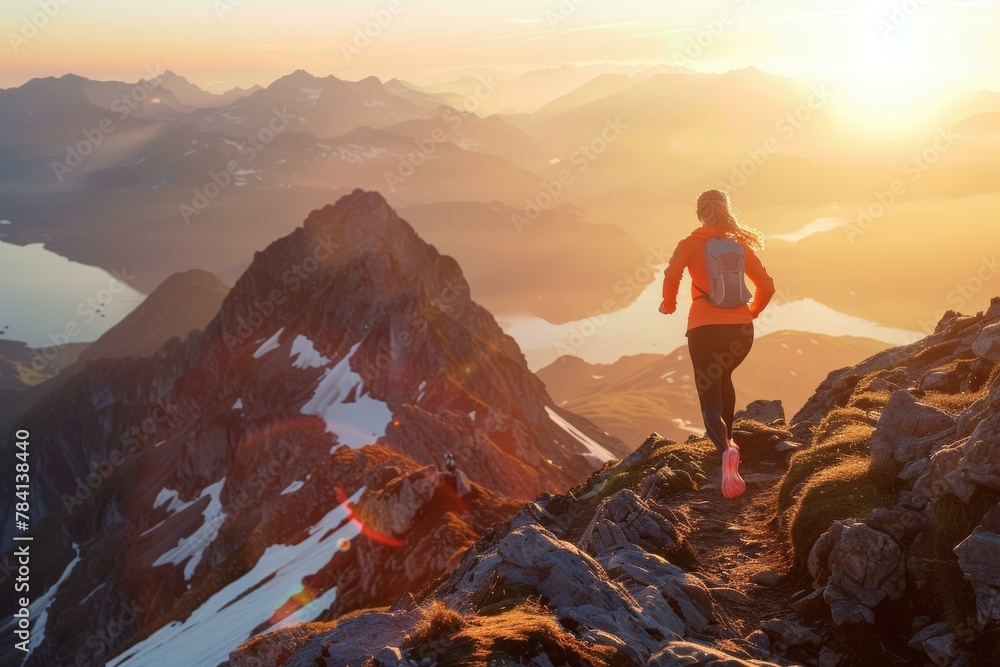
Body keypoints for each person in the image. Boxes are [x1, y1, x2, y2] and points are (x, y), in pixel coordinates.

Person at [659, 189, 775, 498]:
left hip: (704, 329)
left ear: (699, 213)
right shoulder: (738, 245)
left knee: (709, 395)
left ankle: (726, 451)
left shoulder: (689, 244)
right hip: (741, 332)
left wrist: (669, 304)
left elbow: (672, 274)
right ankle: (731, 443)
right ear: (725, 212)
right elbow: (767, 286)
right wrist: (750, 312)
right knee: (724, 376)